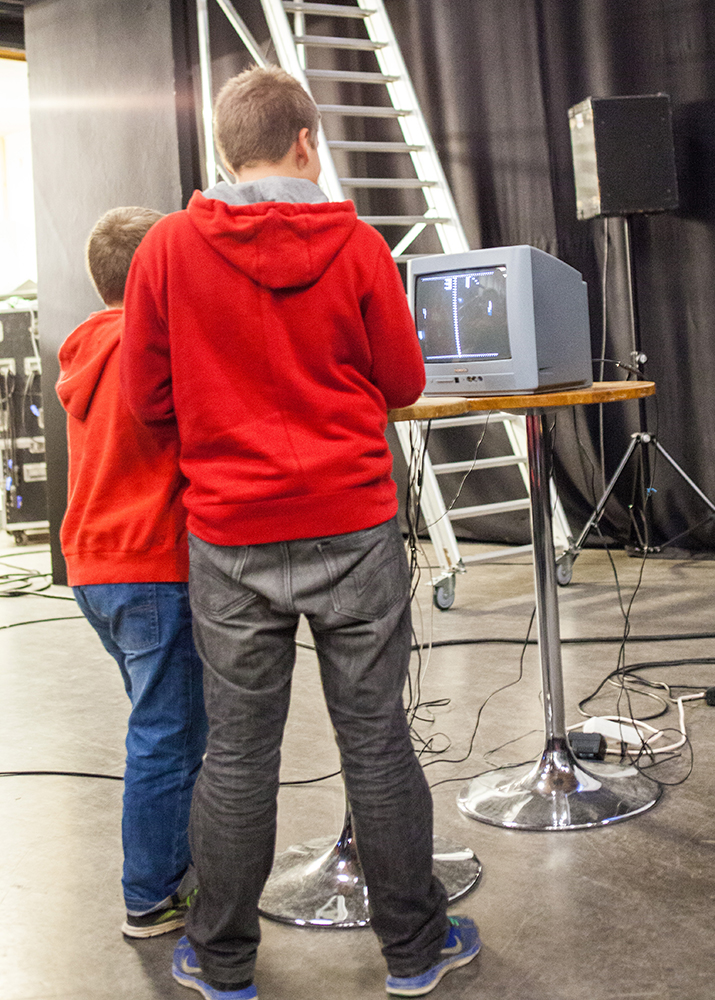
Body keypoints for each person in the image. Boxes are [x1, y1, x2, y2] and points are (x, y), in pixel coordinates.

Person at [121, 66, 480, 999]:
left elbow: (148, 404)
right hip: (353, 527)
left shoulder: (165, 249)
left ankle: (224, 961)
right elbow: (402, 383)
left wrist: (217, 445)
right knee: (377, 742)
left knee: (237, 753)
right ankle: (413, 952)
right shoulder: (356, 245)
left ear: (224, 154)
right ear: (307, 143)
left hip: (229, 536)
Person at [56, 207, 208, 939]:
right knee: (167, 735)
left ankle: (178, 866)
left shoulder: (87, 345)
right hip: (150, 565)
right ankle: (151, 895)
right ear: (158, 272)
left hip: (94, 568)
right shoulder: (148, 348)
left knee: (165, 727)